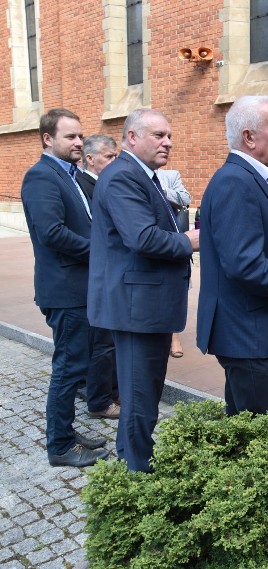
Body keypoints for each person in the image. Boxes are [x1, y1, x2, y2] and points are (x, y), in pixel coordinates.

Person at [88, 109, 200, 472]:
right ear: (132, 137)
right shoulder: (123, 175)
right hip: (136, 308)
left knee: (144, 391)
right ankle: (137, 471)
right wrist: (189, 241)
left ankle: (131, 454)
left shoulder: (141, 174)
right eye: (158, 135)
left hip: (146, 304)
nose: (168, 141)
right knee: (140, 395)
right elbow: (142, 237)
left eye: (169, 135)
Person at [196, 95, 268, 416]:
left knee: (243, 426)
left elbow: (246, 245)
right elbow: (244, 265)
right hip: (245, 331)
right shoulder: (236, 182)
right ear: (249, 137)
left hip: (245, 329)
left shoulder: (244, 177)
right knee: (258, 438)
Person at [20, 109, 110, 467]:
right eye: (71, 137)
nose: (79, 143)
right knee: (69, 370)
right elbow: (52, 233)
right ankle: (59, 445)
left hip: (80, 288)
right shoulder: (42, 176)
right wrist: (104, 251)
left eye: (80, 136)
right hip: (66, 290)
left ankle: (68, 431)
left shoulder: (68, 174)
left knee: (76, 367)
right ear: (48, 138)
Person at [77, 134, 121, 418]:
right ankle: (100, 399)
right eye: (110, 157)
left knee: (107, 341)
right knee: (102, 343)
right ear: (91, 159)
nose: (116, 161)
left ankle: (109, 391)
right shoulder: (86, 186)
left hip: (106, 274)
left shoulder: (101, 182)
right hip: (96, 275)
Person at [158, 168, 192, 359]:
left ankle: (174, 337)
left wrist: (164, 192)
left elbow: (186, 198)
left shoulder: (170, 175)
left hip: (172, 237)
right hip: (149, 237)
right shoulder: (128, 174)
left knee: (174, 287)